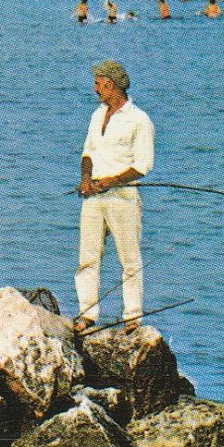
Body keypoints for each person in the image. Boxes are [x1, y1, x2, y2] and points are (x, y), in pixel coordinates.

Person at [74, 60, 155, 332]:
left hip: (123, 199)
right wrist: (86, 179)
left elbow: (143, 166)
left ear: (112, 85)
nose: (95, 89)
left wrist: (113, 181)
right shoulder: (97, 115)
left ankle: (132, 317)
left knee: (129, 260)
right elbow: (88, 152)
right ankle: (87, 314)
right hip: (93, 196)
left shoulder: (140, 120)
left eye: (99, 84)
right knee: (88, 257)